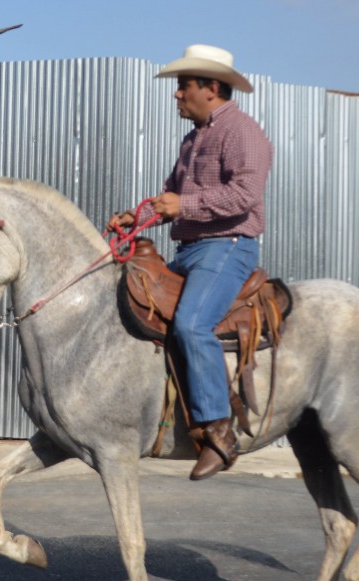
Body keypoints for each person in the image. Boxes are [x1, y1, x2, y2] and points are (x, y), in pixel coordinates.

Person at [107, 44, 273, 481]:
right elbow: (168, 199)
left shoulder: (243, 132)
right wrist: (134, 217)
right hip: (189, 251)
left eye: (183, 87)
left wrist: (183, 206)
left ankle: (219, 433)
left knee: (191, 325)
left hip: (227, 247)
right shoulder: (193, 138)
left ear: (212, 88)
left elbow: (245, 196)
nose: (176, 95)